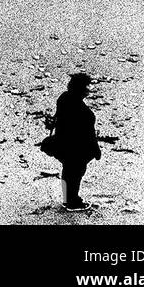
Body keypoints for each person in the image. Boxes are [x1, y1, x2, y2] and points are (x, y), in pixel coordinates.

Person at [51, 72, 101, 210]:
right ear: (81, 88)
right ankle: (73, 201)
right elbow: (89, 134)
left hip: (63, 143)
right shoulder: (82, 111)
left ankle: (68, 199)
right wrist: (96, 150)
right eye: (86, 87)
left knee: (67, 172)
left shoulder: (64, 98)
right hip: (78, 148)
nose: (88, 90)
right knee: (76, 173)